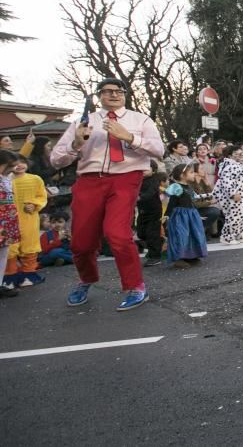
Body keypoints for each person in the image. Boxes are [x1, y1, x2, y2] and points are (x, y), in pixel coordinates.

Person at [50, 78, 165, 310]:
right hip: (89, 180)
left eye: (118, 91)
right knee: (81, 242)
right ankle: (86, 279)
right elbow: (56, 160)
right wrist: (75, 144)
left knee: (117, 233)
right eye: (107, 91)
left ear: (125, 95)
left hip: (125, 178)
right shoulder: (84, 122)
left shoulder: (140, 119)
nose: (113, 95)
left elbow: (159, 150)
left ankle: (135, 287)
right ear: (99, 96)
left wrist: (129, 137)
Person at [2, 155, 48, 287]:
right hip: (9, 220)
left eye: (23, 162)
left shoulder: (35, 179)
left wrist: (34, 204)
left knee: (30, 246)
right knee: (10, 248)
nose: (20, 165)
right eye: (16, 163)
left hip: (29, 218)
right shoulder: (5, 180)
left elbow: (42, 196)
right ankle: (9, 276)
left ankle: (29, 274)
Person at [164, 163, 209, 268]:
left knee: (194, 234)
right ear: (182, 175)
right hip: (180, 216)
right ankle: (178, 258)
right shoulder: (177, 187)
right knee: (181, 235)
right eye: (191, 172)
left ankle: (191, 255)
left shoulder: (189, 187)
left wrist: (197, 215)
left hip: (191, 214)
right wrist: (167, 215)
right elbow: (172, 202)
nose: (194, 174)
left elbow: (192, 202)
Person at [214, 145, 243, 244]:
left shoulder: (240, 165)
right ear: (230, 155)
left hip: (241, 195)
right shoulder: (229, 166)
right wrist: (233, 194)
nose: (241, 155)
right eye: (237, 154)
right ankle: (227, 237)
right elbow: (227, 181)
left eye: (242, 153)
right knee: (233, 216)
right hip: (232, 196)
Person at [0, 149, 22, 297]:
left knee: (3, 253)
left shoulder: (8, 179)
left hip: (7, 222)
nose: (13, 168)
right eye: (10, 165)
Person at [136, 161, 167, 267]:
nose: (143, 170)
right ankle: (160, 241)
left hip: (154, 211)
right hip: (142, 211)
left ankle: (155, 257)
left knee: (152, 234)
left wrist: (140, 197)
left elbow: (151, 192)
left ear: (153, 170)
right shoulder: (138, 180)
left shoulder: (154, 180)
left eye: (146, 168)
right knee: (141, 233)